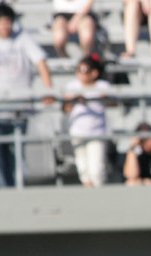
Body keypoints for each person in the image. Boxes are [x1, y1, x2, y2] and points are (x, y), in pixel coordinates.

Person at [0, 3, 54, 188]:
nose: (4, 25)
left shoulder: (22, 39)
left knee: (17, 154)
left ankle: (17, 191)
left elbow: (40, 61)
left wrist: (48, 90)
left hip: (19, 108)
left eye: (7, 21)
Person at [63, 54, 111, 187]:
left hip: (97, 132)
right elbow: (65, 108)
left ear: (94, 73)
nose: (80, 74)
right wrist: (74, 99)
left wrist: (94, 98)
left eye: (84, 70)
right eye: (78, 70)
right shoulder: (72, 86)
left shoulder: (102, 85)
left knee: (96, 170)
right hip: (78, 132)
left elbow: (112, 102)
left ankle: (98, 196)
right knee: (83, 168)